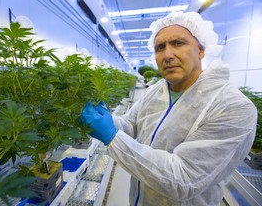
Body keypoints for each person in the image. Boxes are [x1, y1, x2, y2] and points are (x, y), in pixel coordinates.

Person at [81, 11, 257, 206]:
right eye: (159, 47)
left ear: (200, 50)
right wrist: (106, 119)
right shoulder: (157, 89)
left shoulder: (233, 107)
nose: (167, 55)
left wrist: (111, 136)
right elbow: (131, 126)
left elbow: (184, 179)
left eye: (178, 43)